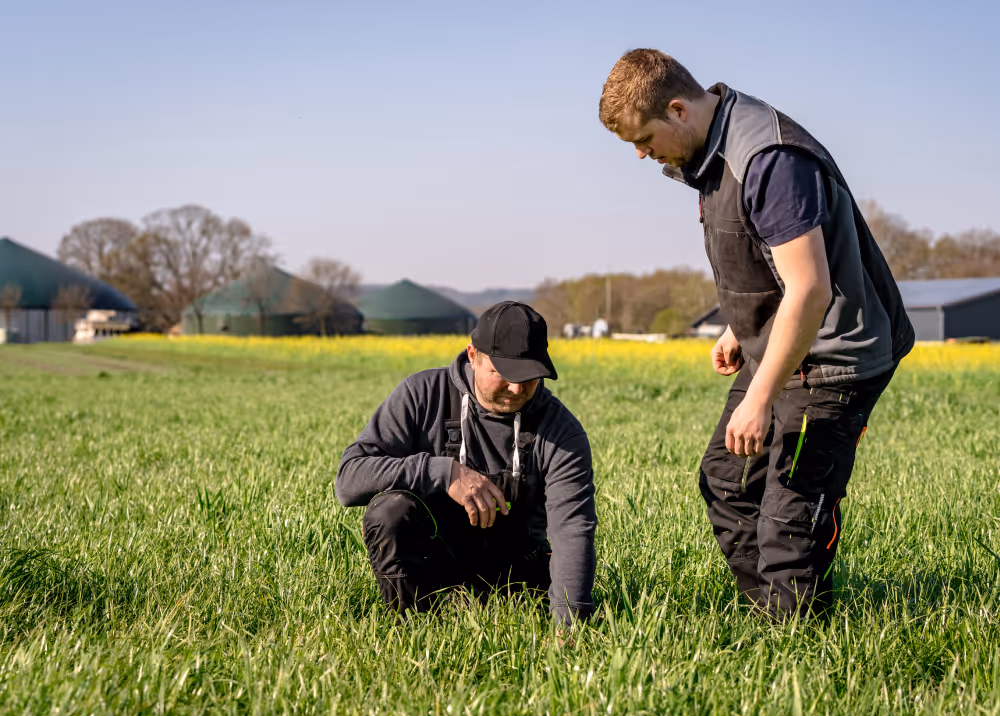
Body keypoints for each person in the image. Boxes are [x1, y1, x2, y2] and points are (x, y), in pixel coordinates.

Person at [599, 50, 914, 620]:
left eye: (643, 139)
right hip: (783, 341)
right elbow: (768, 257)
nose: (642, 155)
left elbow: (812, 288)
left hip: (834, 356)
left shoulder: (769, 159)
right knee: (727, 481)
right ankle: (771, 613)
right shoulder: (710, 147)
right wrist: (737, 326)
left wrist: (760, 397)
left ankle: (800, 645)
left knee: (790, 518)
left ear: (678, 110)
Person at [336, 302, 596, 624]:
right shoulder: (422, 395)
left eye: (529, 377)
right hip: (437, 566)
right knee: (390, 512)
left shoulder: (561, 431)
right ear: (473, 356)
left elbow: (571, 530)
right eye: (502, 374)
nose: (516, 389)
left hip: (520, 574)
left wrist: (569, 630)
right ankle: (419, 631)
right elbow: (349, 480)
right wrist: (442, 472)